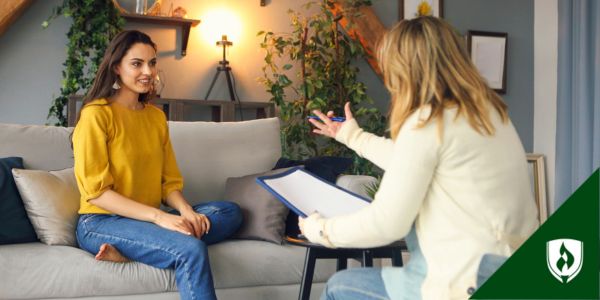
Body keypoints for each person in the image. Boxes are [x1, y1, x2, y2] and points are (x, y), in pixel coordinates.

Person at [300, 16, 539, 300]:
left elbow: (387, 224)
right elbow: (410, 161)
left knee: (339, 287)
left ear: (404, 70)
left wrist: (320, 230)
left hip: (467, 281)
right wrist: (351, 135)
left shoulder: (428, 121)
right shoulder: (488, 115)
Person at [72, 30, 243, 300]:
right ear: (116, 67)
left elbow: (169, 183)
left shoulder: (155, 117)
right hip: (101, 222)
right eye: (136, 63)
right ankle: (150, 243)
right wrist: (161, 218)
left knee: (229, 212)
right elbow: (97, 192)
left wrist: (185, 211)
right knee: (190, 249)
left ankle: (136, 249)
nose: (148, 71)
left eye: (152, 63)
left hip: (147, 220)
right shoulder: (96, 115)